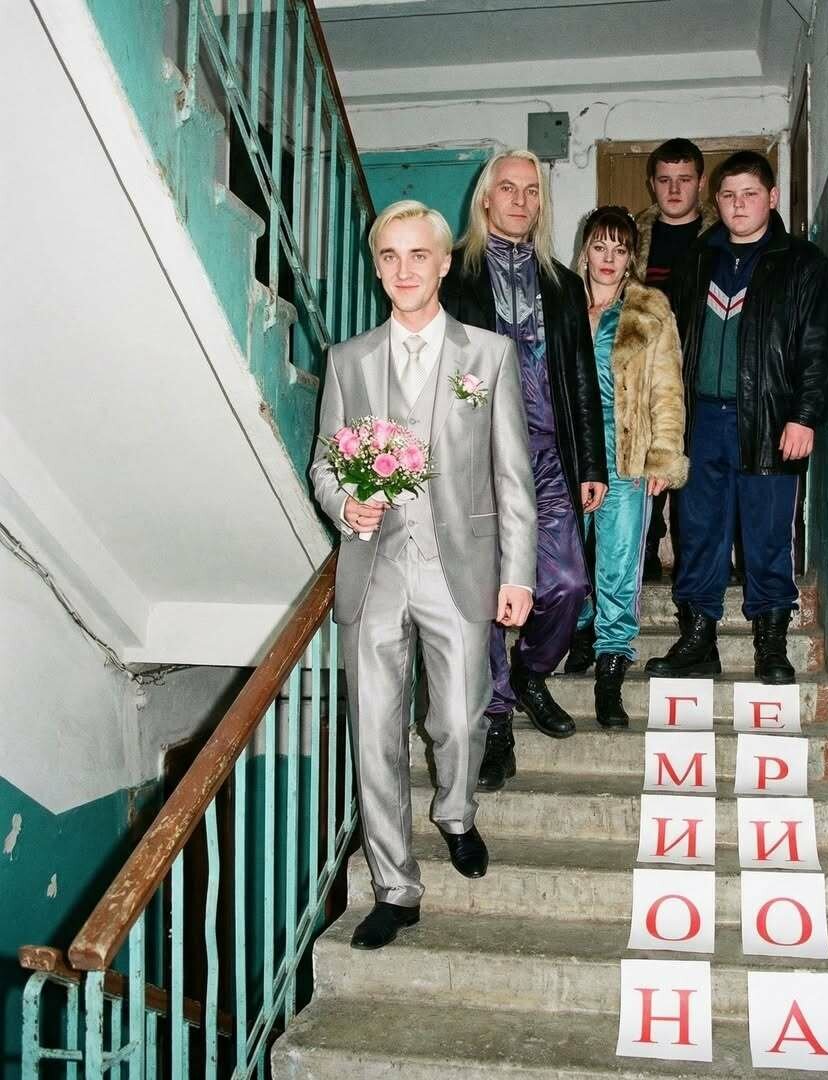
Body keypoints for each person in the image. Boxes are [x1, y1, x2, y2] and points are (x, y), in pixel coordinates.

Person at [310, 200, 537, 949]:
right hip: (374, 569)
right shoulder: (348, 361)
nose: (403, 270)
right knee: (373, 733)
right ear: (377, 268)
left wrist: (519, 573)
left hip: (457, 567)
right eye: (389, 256)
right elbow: (324, 465)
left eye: (418, 255)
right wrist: (346, 504)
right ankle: (395, 887)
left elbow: (512, 475)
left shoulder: (489, 356)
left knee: (458, 719)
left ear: (443, 263)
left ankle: (456, 812)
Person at [440, 149, 608, 791]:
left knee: (566, 583)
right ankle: (496, 719)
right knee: (484, 594)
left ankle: (533, 673)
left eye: (531, 190)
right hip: (478, 461)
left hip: (546, 455)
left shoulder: (563, 284)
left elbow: (582, 379)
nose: (520, 200)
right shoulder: (454, 277)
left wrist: (591, 461)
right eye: (508, 188)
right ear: (485, 198)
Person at [645, 151, 828, 685]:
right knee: (697, 530)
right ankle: (698, 639)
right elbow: (670, 345)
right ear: (717, 200)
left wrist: (804, 415)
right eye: (729, 195)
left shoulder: (803, 264)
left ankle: (771, 643)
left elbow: (818, 349)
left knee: (767, 534)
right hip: (701, 420)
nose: (739, 205)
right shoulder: (698, 260)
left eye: (750, 194)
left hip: (770, 420)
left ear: (772, 198)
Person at [567, 206, 688, 724]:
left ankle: (611, 668)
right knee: (565, 559)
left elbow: (667, 389)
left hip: (627, 454)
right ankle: (579, 628)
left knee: (617, 562)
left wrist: (664, 455)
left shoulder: (649, 309)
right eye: (600, 246)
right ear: (585, 249)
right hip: (567, 455)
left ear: (632, 257)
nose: (609, 258)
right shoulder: (560, 301)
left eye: (620, 249)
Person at [634, 139, 717, 582]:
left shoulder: (721, 239)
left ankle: (697, 565)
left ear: (700, 183)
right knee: (643, 470)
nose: (674, 189)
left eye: (684, 180)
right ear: (652, 183)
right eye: (665, 180)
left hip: (704, 373)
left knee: (700, 476)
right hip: (645, 376)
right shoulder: (632, 238)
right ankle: (645, 554)